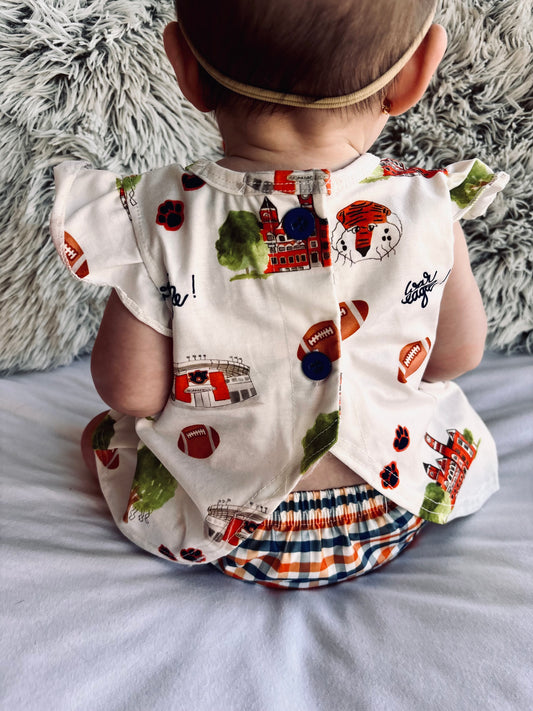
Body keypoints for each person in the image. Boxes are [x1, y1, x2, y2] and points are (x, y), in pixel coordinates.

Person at [50, 0, 508, 588]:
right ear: (416, 74)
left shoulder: (158, 216)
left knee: (108, 432)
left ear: (185, 70)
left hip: (228, 528)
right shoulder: (427, 204)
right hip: (391, 507)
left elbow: (131, 392)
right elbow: (454, 358)